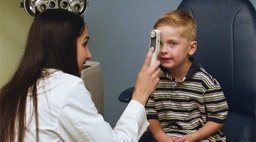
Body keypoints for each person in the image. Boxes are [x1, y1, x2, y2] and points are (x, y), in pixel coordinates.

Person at [0, 9, 161, 142]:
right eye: (84, 43)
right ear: (65, 46)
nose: (89, 54)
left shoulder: (14, 91)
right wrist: (140, 95)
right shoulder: (65, 88)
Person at [145, 10, 229, 142]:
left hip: (199, 136)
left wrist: (193, 137)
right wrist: (161, 136)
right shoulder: (154, 79)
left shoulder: (205, 82)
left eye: (172, 43)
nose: (164, 50)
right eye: (160, 43)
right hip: (166, 137)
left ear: (191, 48)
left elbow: (218, 117)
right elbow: (150, 113)